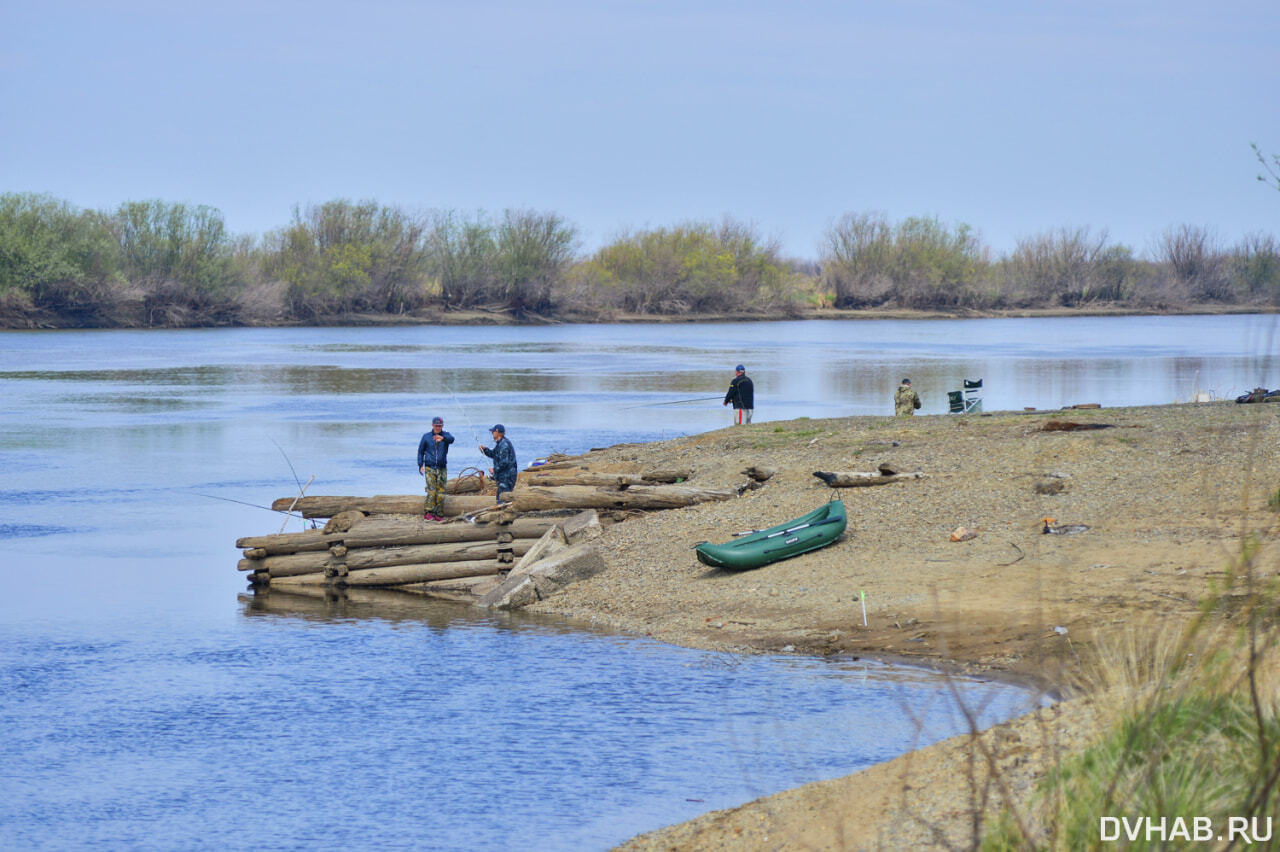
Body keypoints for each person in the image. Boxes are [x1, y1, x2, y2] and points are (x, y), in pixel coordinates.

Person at [417, 416, 455, 520]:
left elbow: (452, 439)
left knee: (441, 491)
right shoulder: (426, 437)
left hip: (442, 467)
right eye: (436, 425)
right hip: (430, 467)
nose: (438, 427)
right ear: (432, 425)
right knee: (431, 490)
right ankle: (429, 512)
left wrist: (443, 438)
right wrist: (420, 465)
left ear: (442, 426)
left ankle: (439, 513)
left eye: (440, 426)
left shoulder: (446, 436)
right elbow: (420, 451)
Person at [479, 423, 518, 503]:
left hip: (507, 477)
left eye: (493, 432)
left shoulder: (504, 445)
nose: (492, 433)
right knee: (502, 497)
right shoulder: (500, 444)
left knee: (502, 498)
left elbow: (504, 462)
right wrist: (484, 450)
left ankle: (504, 512)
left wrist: (494, 469)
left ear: (497, 432)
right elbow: (494, 454)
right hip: (504, 476)